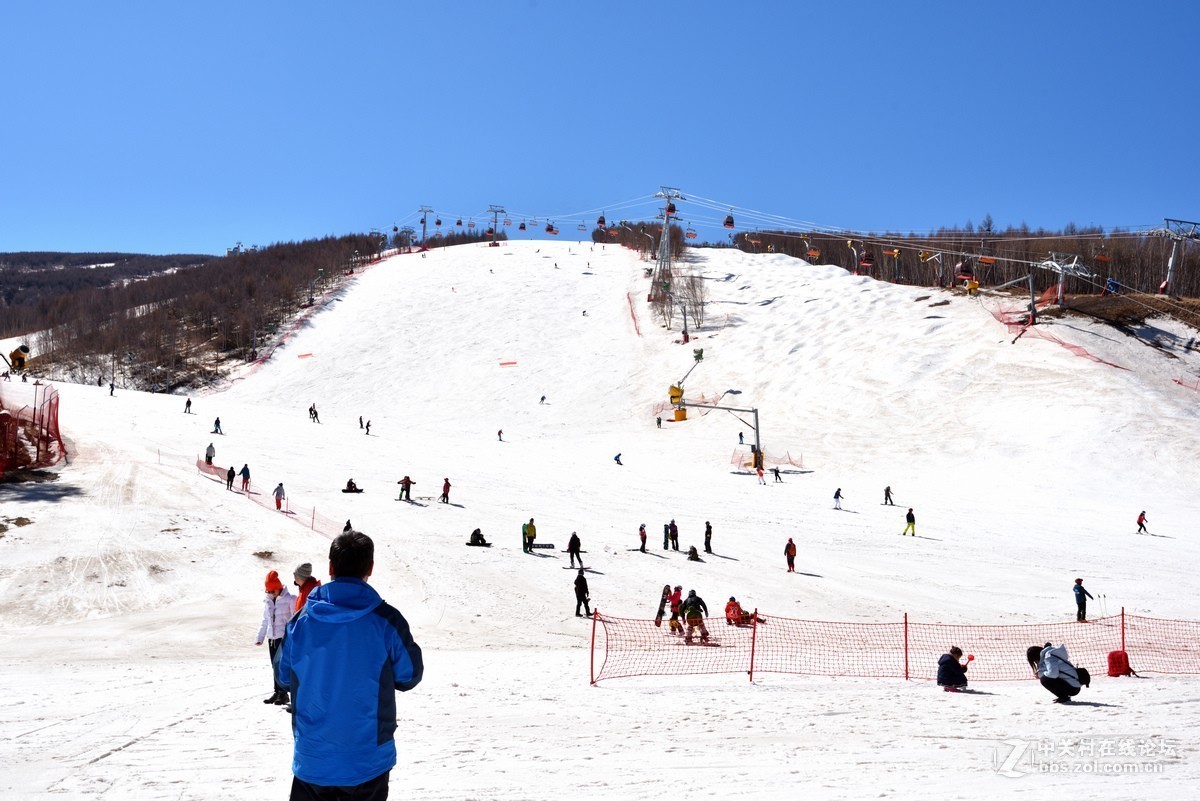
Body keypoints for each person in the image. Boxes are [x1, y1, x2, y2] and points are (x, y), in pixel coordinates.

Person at [276, 531, 423, 798]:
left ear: (331, 567)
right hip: (367, 761)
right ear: (370, 568)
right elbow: (409, 675)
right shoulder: (386, 620)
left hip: (313, 759)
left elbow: (284, 677)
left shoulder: (300, 622)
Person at [255, 570, 295, 705]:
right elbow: (265, 620)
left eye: (273, 591)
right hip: (272, 638)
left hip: (283, 639)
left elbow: (294, 618)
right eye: (269, 591)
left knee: (281, 666)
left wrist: (291, 637)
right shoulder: (268, 601)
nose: (271, 593)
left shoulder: (290, 599)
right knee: (274, 666)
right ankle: (277, 692)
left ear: (279, 588)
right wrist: (260, 637)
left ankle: (283, 693)